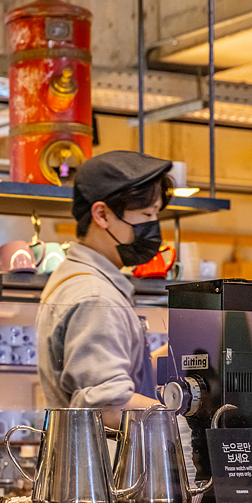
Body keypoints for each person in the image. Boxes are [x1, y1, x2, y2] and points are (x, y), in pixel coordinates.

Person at [36, 150, 172, 430]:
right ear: (102, 214)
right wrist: (179, 417)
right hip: (104, 469)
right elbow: (108, 406)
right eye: (146, 214)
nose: (153, 227)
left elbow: (102, 376)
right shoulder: (95, 296)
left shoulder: (76, 278)